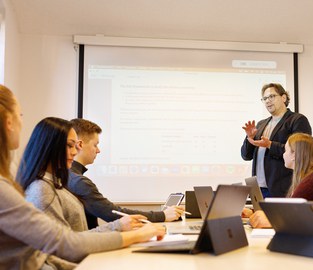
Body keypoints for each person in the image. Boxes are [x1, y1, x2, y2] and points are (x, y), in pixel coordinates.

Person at [0, 85, 164, 270]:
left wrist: (118, 227)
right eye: (20, 115)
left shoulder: (48, 185)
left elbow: (69, 239)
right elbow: (64, 245)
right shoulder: (38, 190)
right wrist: (134, 235)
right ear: (8, 122)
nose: (76, 151)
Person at [17, 117, 148, 233]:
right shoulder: (41, 190)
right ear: (49, 146)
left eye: (76, 146)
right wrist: (118, 227)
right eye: (69, 146)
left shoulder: (54, 183)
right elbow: (65, 244)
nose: (75, 152)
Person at [67, 118, 183, 229]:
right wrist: (163, 215)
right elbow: (112, 213)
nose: (98, 150)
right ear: (80, 145)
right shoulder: (78, 181)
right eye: (95, 145)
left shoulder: (69, 176)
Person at [241, 83, 312, 197]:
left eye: (271, 96)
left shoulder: (297, 120)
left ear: (283, 97)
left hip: (281, 188)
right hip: (258, 188)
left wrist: (270, 144)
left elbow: (300, 152)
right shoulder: (261, 124)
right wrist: (250, 138)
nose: (268, 101)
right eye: (264, 98)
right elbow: (246, 156)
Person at [249, 133, 313, 228]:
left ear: (294, 154)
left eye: (285, 150)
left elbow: (289, 215)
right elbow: (287, 209)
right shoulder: (310, 176)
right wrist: (253, 212)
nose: (283, 155)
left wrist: (268, 219)